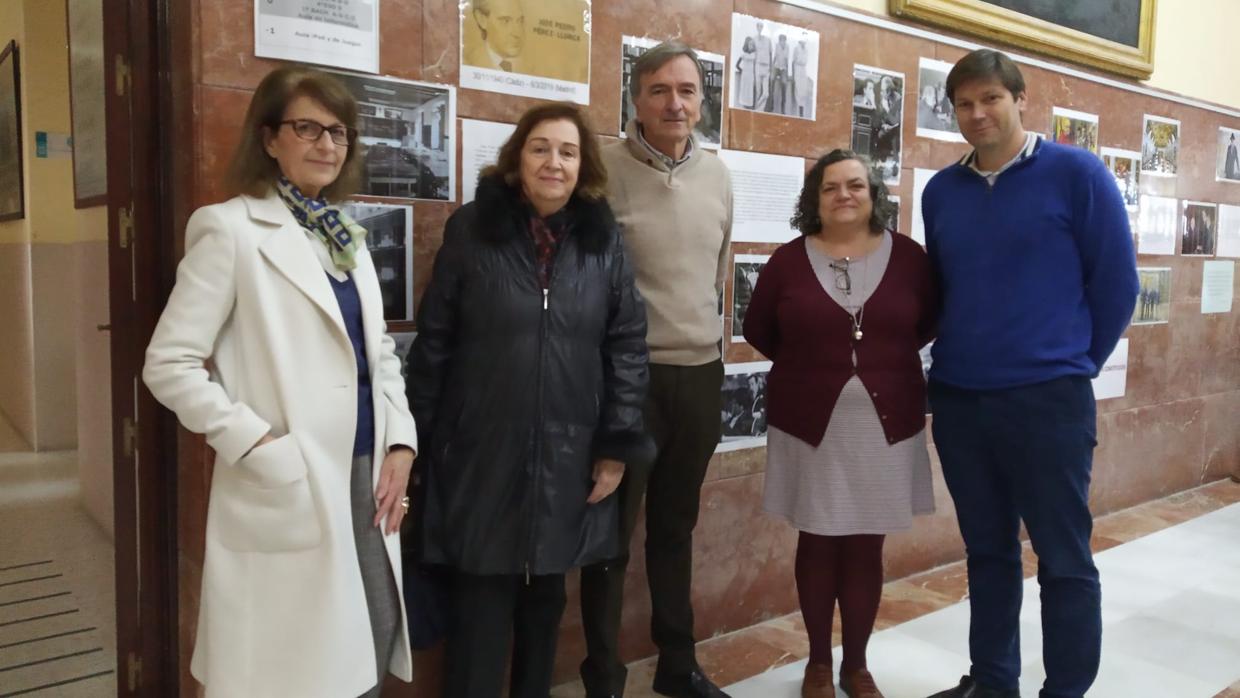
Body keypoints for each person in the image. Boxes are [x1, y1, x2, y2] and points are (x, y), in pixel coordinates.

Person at [142, 66, 418, 698]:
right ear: (270, 139)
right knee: (295, 670)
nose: (326, 144)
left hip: (366, 472)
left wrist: (401, 441)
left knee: (370, 639)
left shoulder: (343, 233)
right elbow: (169, 363)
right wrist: (255, 443)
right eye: (306, 128)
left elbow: (376, 351)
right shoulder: (231, 230)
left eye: (339, 132)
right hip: (291, 475)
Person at [405, 102, 651, 698]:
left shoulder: (603, 241)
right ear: (517, 160)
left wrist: (616, 446)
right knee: (479, 606)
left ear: (583, 167)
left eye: (567, 152)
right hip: (479, 451)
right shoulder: (472, 229)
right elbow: (435, 339)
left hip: (569, 454)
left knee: (544, 603)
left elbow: (626, 345)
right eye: (540, 148)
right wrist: (416, 437)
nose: (554, 162)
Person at [920, 49, 1138, 698]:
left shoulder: (1076, 174)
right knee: (987, 553)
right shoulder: (941, 192)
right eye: (964, 103)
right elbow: (948, 290)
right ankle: (993, 682)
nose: (977, 113)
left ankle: (1064, 690)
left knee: (1064, 558)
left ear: (1021, 100)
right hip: (962, 400)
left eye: (990, 98)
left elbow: (1117, 286)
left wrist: (1070, 366)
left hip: (1048, 402)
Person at [744, 150, 936, 698]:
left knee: (864, 545)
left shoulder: (911, 259)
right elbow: (761, 327)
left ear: (874, 196)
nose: (844, 195)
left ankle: (856, 665)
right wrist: (819, 364)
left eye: (856, 185)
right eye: (830, 187)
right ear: (815, 199)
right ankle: (817, 665)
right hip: (809, 424)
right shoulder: (786, 260)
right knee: (818, 539)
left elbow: (925, 322)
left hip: (885, 423)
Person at [579, 40, 734, 698]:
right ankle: (604, 678)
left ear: (701, 100)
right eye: (660, 90)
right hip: (626, 383)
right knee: (608, 540)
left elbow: (718, 273)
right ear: (635, 99)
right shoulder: (601, 171)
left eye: (688, 90)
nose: (675, 103)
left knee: (675, 530)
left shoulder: (720, 175)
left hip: (699, 377)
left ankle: (678, 665)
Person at [463, 0, 526, 73]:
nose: (517, 33)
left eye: (520, 21)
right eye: (506, 21)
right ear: (481, 19)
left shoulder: (533, 68)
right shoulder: (467, 63)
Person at [753, 21, 773, 112]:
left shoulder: (768, 40)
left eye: (762, 26)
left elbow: (771, 54)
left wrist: (771, 69)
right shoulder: (754, 39)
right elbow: (752, 53)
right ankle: (759, 112)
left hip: (766, 68)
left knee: (766, 94)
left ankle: (757, 109)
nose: (760, 28)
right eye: (759, 26)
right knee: (758, 91)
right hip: (757, 66)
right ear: (757, 27)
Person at [736, 37, 757, 110]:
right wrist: (742, 71)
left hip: (751, 75)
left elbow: (756, 66)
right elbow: (737, 65)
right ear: (746, 44)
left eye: (752, 44)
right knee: (744, 91)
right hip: (745, 76)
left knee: (750, 91)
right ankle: (744, 107)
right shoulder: (743, 54)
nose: (751, 46)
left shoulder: (754, 55)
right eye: (750, 44)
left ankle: (750, 106)